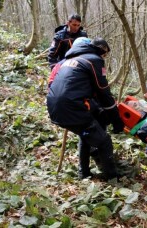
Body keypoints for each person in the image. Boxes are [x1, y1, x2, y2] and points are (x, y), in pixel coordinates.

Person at [47, 37, 124, 180]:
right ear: (100, 50)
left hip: (54, 107)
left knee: (85, 133)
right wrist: (116, 119)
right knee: (104, 141)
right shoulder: (93, 60)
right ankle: (112, 177)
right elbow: (104, 92)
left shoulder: (66, 62)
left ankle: (83, 173)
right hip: (72, 107)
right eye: (104, 53)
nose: (104, 57)